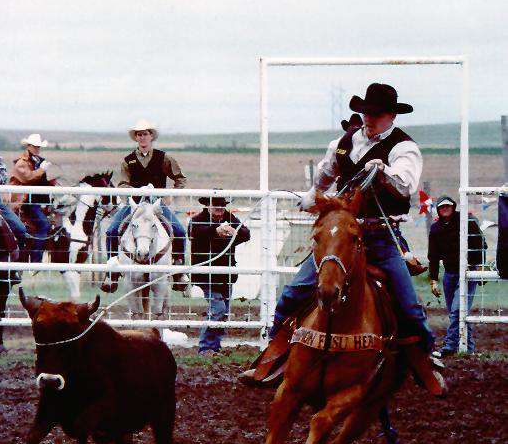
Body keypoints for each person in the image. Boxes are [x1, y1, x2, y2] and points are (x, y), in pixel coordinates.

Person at [242, 83, 443, 393]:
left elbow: (404, 186)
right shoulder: (343, 144)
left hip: (379, 236)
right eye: (365, 113)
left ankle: (427, 358)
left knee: (408, 304)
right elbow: (324, 177)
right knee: (295, 290)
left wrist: (383, 171)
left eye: (376, 114)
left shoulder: (404, 148)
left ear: (391, 116)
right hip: (340, 236)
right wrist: (311, 200)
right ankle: (273, 354)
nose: (368, 119)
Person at [102, 119, 188, 293]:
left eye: (145, 134)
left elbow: (180, 178)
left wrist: (169, 195)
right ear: (135, 137)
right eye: (139, 134)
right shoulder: (128, 161)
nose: (142, 137)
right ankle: (112, 270)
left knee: (179, 231)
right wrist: (135, 190)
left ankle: (178, 269)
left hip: (157, 204)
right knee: (111, 230)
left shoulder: (164, 158)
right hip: (135, 204)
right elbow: (122, 184)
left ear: (151, 136)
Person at [188, 195, 250, 355]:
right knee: (218, 309)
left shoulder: (229, 218)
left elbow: (246, 233)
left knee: (223, 311)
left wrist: (233, 231)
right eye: (216, 206)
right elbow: (194, 232)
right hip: (206, 275)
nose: (220, 209)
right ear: (207, 206)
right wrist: (215, 230)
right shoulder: (197, 220)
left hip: (225, 274)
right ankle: (205, 347)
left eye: (222, 206)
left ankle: (214, 347)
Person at [428, 196, 487, 356]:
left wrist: (479, 267)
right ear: (438, 210)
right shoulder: (435, 229)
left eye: (448, 206)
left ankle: (449, 346)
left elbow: (481, 245)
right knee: (458, 313)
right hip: (449, 274)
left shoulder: (467, 221)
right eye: (442, 207)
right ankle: (469, 349)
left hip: (468, 273)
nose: (445, 209)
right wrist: (433, 280)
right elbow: (433, 256)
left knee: (457, 311)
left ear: (453, 207)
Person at [9, 133, 57, 263]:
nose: (37, 149)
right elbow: (28, 177)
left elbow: (37, 181)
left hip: (34, 200)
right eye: (35, 146)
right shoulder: (21, 163)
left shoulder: (36, 161)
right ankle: (36, 260)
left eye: (38, 146)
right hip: (25, 202)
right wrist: (41, 170)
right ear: (29, 146)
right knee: (44, 225)